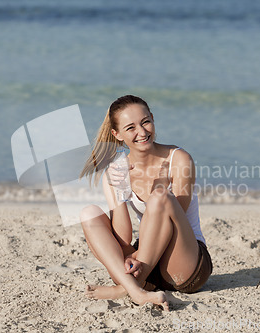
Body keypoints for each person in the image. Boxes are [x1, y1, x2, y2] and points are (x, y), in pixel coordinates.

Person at [79, 95, 212, 311]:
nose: (142, 132)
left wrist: (160, 182)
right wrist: (119, 189)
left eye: (145, 122)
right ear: (117, 134)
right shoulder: (117, 170)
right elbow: (123, 240)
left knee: (161, 197)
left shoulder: (179, 159)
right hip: (146, 263)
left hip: (185, 263)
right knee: (89, 213)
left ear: (152, 118)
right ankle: (137, 290)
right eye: (130, 128)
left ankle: (125, 289)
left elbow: (177, 213)